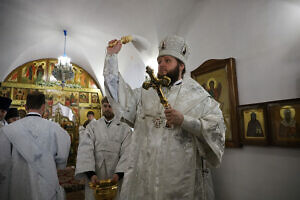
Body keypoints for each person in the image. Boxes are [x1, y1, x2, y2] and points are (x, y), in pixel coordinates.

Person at [103, 35, 226, 200]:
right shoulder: (147, 92)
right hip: (145, 177)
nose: (161, 65)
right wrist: (112, 57)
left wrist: (184, 121)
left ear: (181, 65)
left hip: (179, 178)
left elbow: (216, 129)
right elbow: (120, 97)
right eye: (159, 61)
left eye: (167, 61)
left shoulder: (197, 96)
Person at [0, 91, 71, 200]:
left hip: (18, 184)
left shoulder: (9, 130)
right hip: (46, 185)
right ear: (43, 107)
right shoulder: (57, 129)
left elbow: (3, 163)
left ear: (25, 106)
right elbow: (62, 158)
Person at [75, 96, 132, 200]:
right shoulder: (92, 126)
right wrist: (91, 174)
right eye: (105, 106)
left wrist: (118, 174)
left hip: (116, 175)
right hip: (95, 173)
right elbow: (85, 150)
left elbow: (127, 152)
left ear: (115, 107)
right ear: (102, 107)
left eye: (110, 106)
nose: (107, 108)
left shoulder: (125, 129)